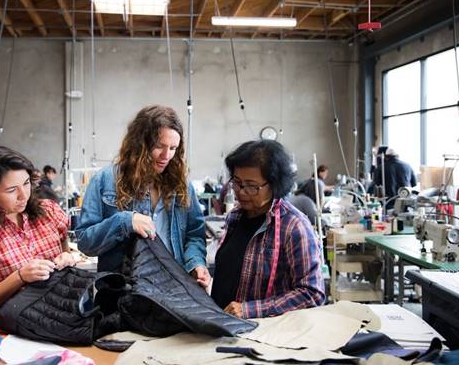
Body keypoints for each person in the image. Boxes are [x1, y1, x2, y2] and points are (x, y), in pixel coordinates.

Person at [76, 105, 210, 288]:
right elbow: (85, 242)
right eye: (159, 146)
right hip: (122, 293)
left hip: (173, 289)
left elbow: (194, 234)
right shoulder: (105, 181)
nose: (166, 155)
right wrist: (124, 222)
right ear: (139, 143)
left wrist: (196, 264)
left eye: (173, 148)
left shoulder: (181, 184)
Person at [211, 140, 325, 319]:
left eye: (251, 186)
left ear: (274, 184)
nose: (241, 192)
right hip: (223, 323)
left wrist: (249, 310)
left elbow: (312, 293)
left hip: (262, 335)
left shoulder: (294, 227)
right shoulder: (236, 216)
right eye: (237, 182)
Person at [0, 146, 75, 310]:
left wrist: (67, 257)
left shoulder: (48, 211)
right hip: (14, 325)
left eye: (26, 184)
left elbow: (65, 250)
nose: (23, 195)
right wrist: (19, 277)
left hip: (62, 312)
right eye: (11, 190)